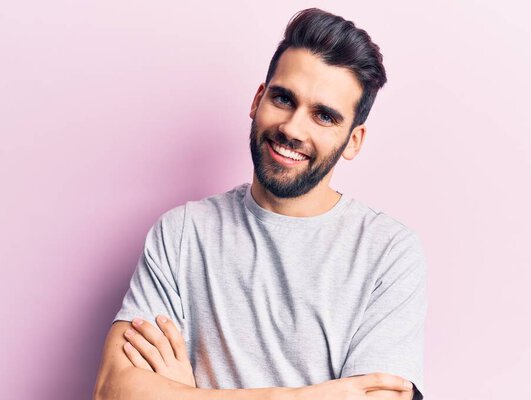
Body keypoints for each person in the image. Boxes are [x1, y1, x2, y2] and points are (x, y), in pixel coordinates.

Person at [94, 7, 427, 400]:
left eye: (323, 116)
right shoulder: (182, 233)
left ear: (353, 140)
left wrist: (185, 394)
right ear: (257, 100)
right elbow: (112, 392)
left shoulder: (388, 252)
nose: (292, 128)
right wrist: (305, 397)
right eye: (284, 99)